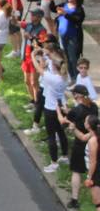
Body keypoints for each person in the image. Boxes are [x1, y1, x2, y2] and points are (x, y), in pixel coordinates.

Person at [60, 85, 97, 209]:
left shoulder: (76, 110)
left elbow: (64, 122)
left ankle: (74, 200)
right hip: (94, 142)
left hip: (80, 145)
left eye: (73, 94)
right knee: (94, 170)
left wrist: (60, 111)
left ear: (77, 95)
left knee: (76, 171)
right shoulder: (94, 107)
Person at [36, 45, 70, 174]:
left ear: (54, 66)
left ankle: (54, 162)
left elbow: (38, 68)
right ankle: (65, 156)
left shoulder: (52, 78)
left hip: (50, 109)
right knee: (61, 132)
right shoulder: (64, 77)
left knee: (51, 136)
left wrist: (34, 56)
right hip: (60, 107)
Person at [84, 116, 100, 211]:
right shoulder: (95, 137)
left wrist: (89, 177)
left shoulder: (93, 140)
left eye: (85, 121)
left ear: (89, 125)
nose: (84, 123)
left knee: (98, 202)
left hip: (96, 173)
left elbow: (93, 161)